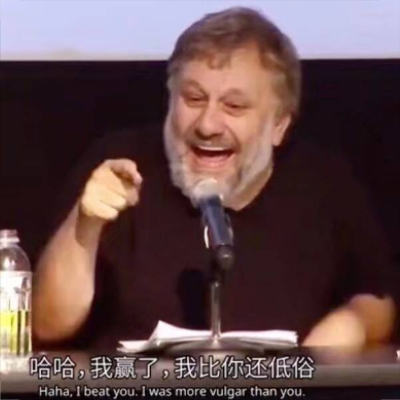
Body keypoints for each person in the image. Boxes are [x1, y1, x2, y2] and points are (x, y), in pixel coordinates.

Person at [33, 7, 397, 350]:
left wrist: (354, 323)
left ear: (279, 125)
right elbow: (46, 325)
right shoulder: (120, 167)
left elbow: (377, 296)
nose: (207, 125)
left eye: (233, 106)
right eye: (193, 99)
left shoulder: (322, 183)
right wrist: (85, 225)